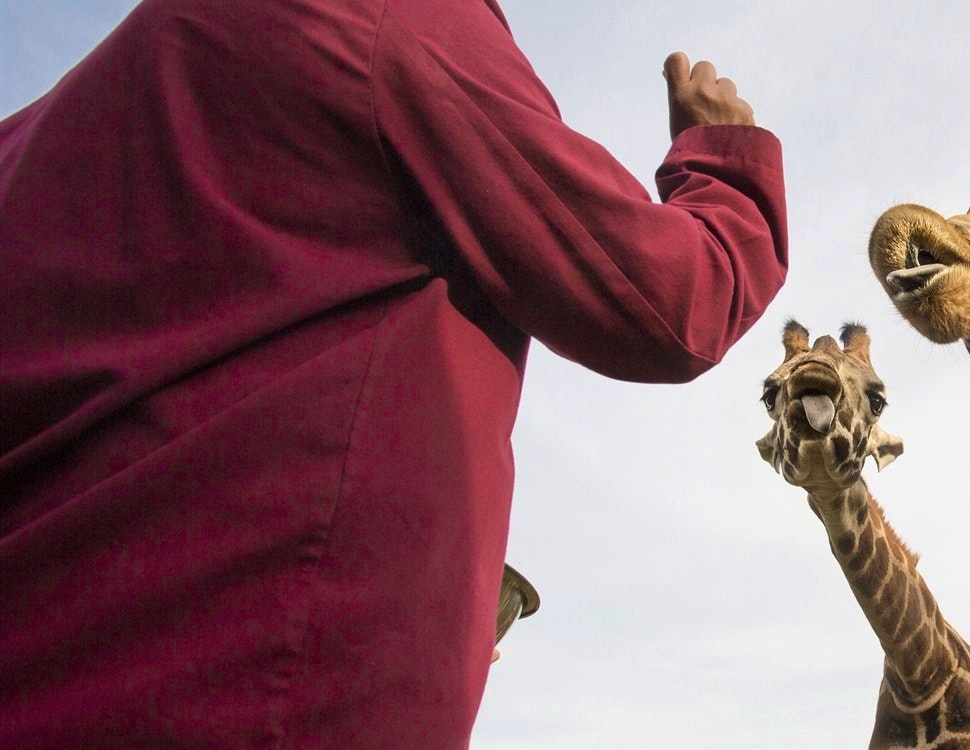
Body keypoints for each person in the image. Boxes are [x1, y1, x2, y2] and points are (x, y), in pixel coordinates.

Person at [0, 0, 787, 746]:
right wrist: (726, 170)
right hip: (257, 700)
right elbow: (668, 302)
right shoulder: (384, 24)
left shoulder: (31, 139)